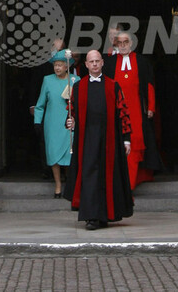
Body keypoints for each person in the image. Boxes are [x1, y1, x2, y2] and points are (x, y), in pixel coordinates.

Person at [64, 50, 134, 230]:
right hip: (87, 140)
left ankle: (104, 216)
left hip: (109, 139)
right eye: (91, 61)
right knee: (89, 176)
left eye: (97, 61)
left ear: (102, 62)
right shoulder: (78, 87)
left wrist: (126, 139)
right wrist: (70, 121)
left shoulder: (113, 86)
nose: (94, 64)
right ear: (86, 65)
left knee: (106, 177)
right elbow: (72, 113)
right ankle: (91, 216)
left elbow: (123, 113)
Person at [103, 31, 162, 189]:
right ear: (116, 44)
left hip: (136, 110)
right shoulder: (109, 63)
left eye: (125, 42)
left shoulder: (142, 61)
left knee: (135, 143)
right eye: (120, 43)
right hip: (116, 110)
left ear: (131, 43)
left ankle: (129, 185)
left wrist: (150, 106)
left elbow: (149, 85)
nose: (123, 46)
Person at [34, 49, 80, 197]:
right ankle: (58, 185)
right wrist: (37, 122)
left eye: (60, 65)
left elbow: (81, 104)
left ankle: (69, 183)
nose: (57, 68)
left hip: (69, 123)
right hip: (52, 124)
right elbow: (40, 105)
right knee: (53, 154)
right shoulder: (47, 80)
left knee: (69, 154)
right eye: (55, 65)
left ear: (67, 66)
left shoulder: (75, 80)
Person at [27, 38, 65, 179]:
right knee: (45, 139)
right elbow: (34, 84)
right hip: (46, 108)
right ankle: (46, 169)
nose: (57, 52)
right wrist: (33, 104)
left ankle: (63, 171)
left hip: (64, 109)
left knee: (63, 140)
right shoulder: (42, 64)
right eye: (55, 49)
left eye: (60, 50)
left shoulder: (68, 64)